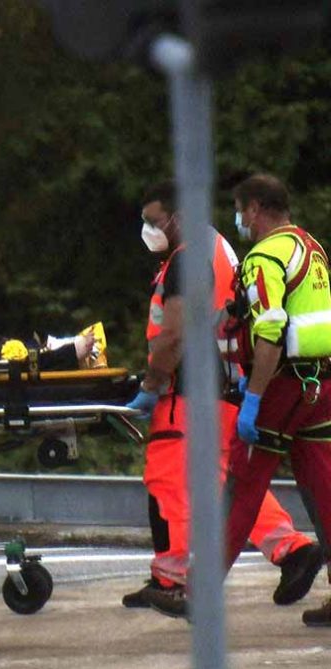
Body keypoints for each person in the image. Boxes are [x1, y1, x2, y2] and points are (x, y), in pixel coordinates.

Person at [122, 181, 320, 615]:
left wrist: (153, 385)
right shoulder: (218, 247)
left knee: (170, 480)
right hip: (227, 383)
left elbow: (174, 334)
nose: (149, 230)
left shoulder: (188, 258)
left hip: (191, 388)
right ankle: (289, 549)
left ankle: (181, 581)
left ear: (177, 217)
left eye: (155, 221)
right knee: (226, 481)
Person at [212, 174, 331, 626]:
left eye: (241, 210)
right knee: (325, 487)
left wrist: (254, 396)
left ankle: (199, 589)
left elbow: (270, 332)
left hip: (281, 384)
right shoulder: (310, 247)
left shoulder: (264, 255)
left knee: (243, 483)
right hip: (319, 384)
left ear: (257, 208)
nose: (240, 219)